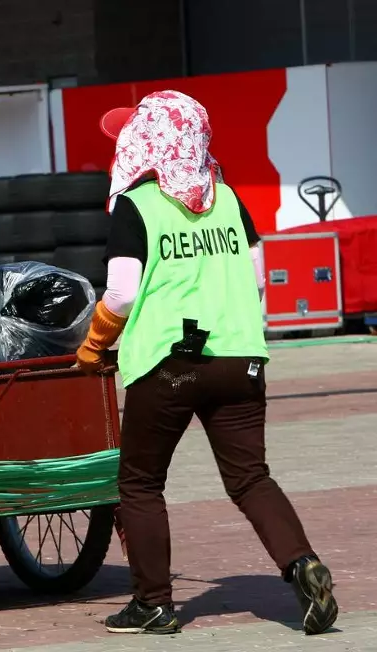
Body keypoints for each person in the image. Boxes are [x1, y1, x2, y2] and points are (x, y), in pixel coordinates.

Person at [75, 90, 338, 636]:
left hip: (170, 365)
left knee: (141, 484)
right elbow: (258, 276)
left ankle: (153, 603)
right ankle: (301, 564)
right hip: (241, 359)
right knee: (250, 478)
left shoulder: (138, 205)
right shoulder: (229, 200)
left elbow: (121, 294)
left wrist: (95, 343)